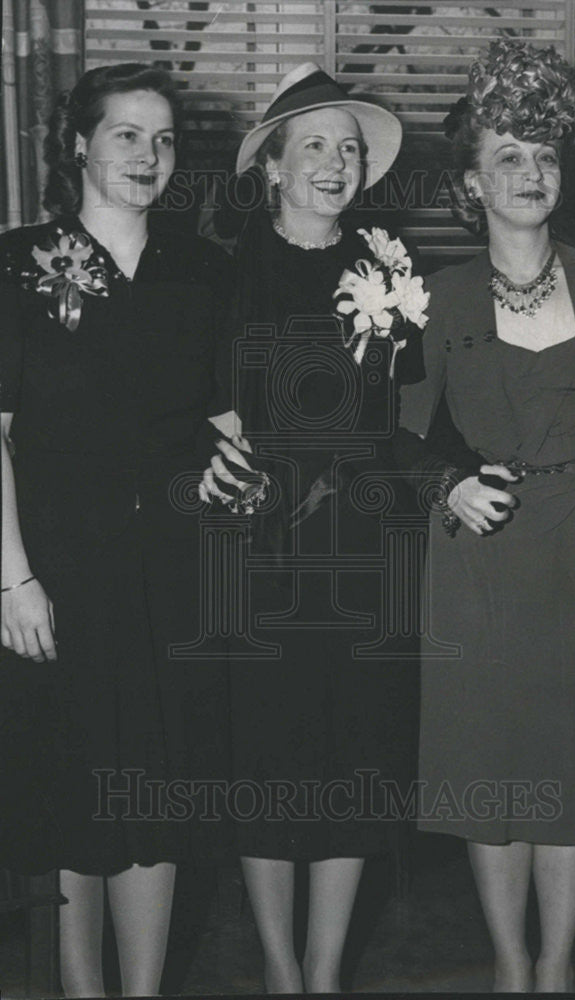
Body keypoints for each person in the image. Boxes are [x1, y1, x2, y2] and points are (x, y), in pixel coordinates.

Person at [200, 61, 463, 994]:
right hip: (264, 546)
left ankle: (323, 972)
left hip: (362, 545)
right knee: (267, 758)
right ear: (271, 167)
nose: (335, 162)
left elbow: (404, 419)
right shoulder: (224, 275)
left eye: (348, 148)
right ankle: (278, 967)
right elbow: (209, 414)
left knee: (358, 755)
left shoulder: (391, 266)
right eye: (313, 145)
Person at [0, 63, 234, 996]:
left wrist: (238, 479)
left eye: (165, 138)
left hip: (172, 571)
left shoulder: (202, 269)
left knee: (159, 786)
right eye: (128, 134)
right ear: (79, 145)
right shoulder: (15, 264)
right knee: (75, 786)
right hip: (58, 570)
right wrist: (11, 577)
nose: (149, 155)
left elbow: (224, 423)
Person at [398, 39, 575, 994]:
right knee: (493, 772)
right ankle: (507, 968)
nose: (531, 174)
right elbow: (397, 439)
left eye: (544, 154)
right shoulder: (437, 298)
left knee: (574, 770)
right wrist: (447, 482)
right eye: (507, 158)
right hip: (479, 556)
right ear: (472, 183)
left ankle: (561, 970)